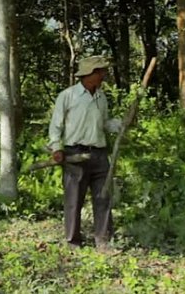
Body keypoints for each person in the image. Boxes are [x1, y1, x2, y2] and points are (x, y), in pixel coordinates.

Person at [48, 55, 121, 250]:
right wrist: (57, 148)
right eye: (100, 72)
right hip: (75, 154)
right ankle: (73, 242)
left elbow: (104, 123)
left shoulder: (101, 97)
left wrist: (122, 124)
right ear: (90, 74)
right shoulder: (68, 96)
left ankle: (103, 241)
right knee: (74, 200)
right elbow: (56, 126)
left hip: (99, 154)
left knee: (103, 197)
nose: (104, 75)